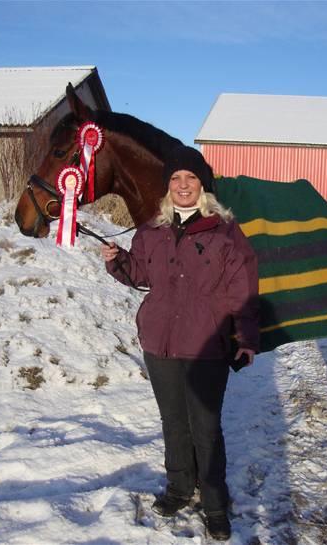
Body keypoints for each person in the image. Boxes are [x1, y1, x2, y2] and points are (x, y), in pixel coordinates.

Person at [100, 145, 259, 541]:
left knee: (205, 427)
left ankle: (215, 503)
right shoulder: (151, 230)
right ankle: (178, 488)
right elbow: (139, 273)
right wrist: (117, 259)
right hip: (160, 341)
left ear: (201, 186)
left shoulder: (223, 230)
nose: (183, 185)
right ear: (167, 187)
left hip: (205, 343)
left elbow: (243, 287)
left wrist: (247, 336)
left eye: (190, 178)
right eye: (175, 179)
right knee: (173, 422)